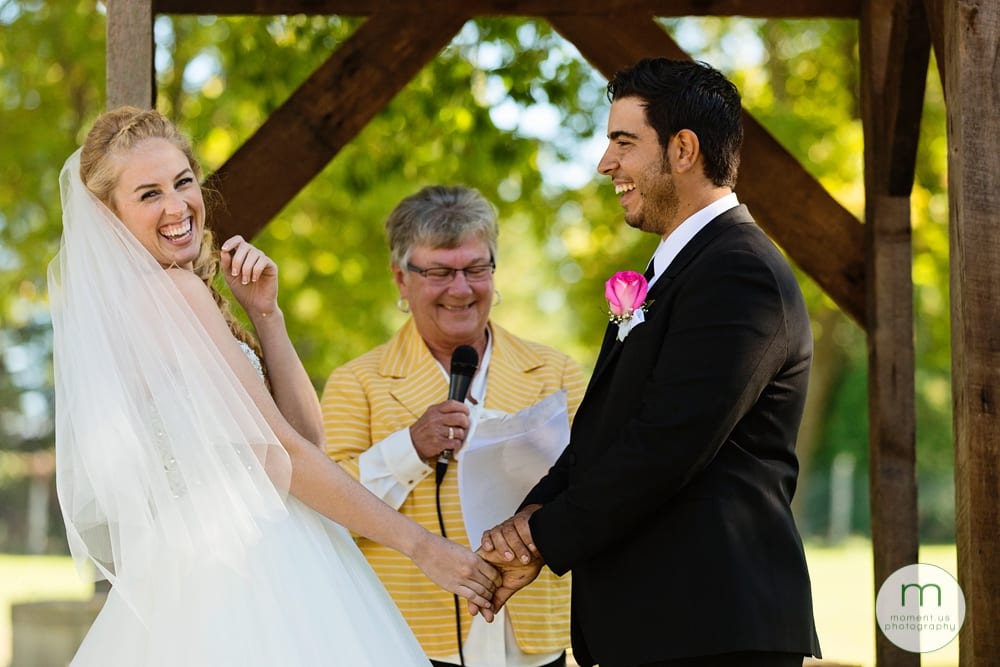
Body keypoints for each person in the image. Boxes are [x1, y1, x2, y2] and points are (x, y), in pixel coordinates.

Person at [48, 106, 501, 666]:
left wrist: (266, 316)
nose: (176, 206)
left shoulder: (154, 303)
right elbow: (280, 454)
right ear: (109, 215)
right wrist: (420, 546)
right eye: (148, 194)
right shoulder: (170, 295)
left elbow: (308, 437)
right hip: (247, 571)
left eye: (183, 182)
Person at [477, 58, 823, 667]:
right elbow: (603, 434)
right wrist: (529, 518)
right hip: (655, 628)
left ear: (683, 149)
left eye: (623, 142)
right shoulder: (672, 274)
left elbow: (666, 444)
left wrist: (539, 537)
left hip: (712, 628)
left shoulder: (740, 273)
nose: (605, 163)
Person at [321, 184, 586, 667]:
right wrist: (409, 449)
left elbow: (593, 485)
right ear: (401, 278)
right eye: (440, 272)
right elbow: (327, 512)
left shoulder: (556, 373)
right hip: (408, 638)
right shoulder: (357, 382)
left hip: (534, 636)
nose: (461, 289)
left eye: (475, 269)